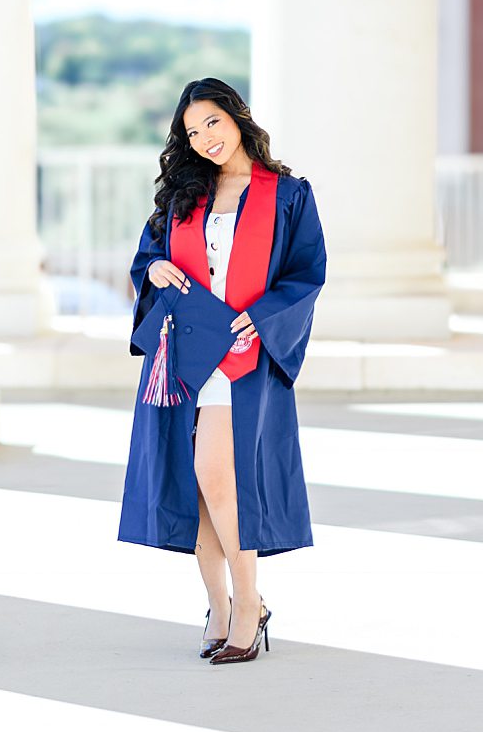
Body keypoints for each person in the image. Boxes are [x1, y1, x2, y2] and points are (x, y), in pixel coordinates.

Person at [119, 76, 327, 665]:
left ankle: (250, 603)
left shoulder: (287, 195)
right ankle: (220, 605)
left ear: (238, 117)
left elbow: (306, 273)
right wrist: (153, 269)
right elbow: (149, 257)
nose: (205, 138)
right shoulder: (184, 196)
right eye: (192, 131)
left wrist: (263, 317)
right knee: (197, 486)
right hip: (184, 352)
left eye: (212, 121)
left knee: (215, 473)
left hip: (241, 353)